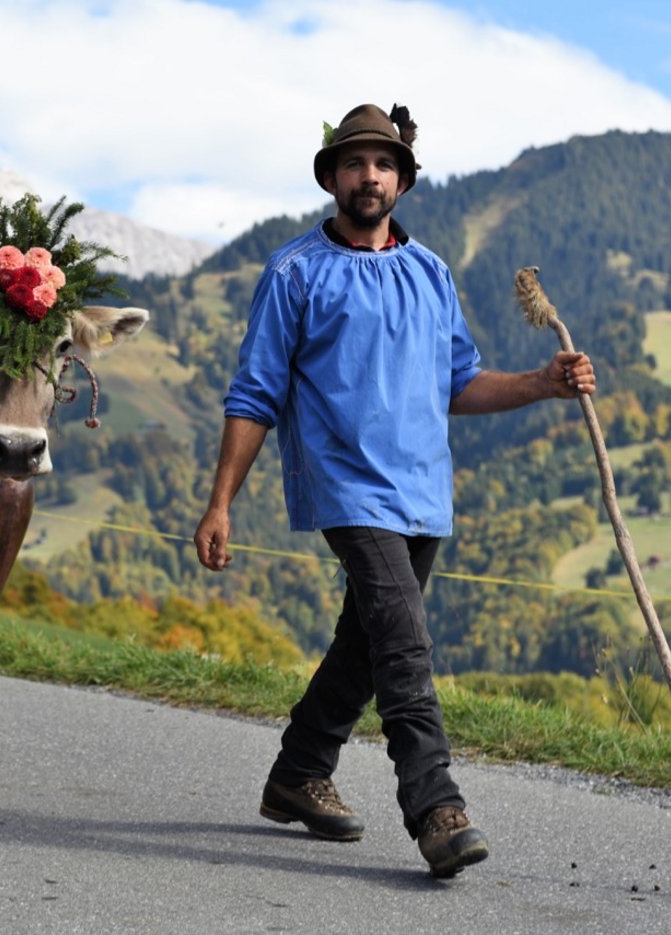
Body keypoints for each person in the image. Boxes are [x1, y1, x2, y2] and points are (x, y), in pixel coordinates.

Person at [192, 104, 596, 878]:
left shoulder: (431, 272)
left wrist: (544, 383)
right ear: (333, 178)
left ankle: (298, 771)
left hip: (423, 491)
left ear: (402, 181)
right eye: (354, 163)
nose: (368, 175)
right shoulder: (295, 271)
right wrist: (221, 502)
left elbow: (462, 382)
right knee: (405, 645)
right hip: (346, 487)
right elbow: (254, 395)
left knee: (367, 644)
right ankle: (436, 807)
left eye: (382, 164)